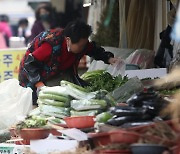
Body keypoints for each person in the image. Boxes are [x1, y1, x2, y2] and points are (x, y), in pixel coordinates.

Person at [18, 20, 118, 105]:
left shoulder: (81, 43)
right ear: (68, 40)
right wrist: (39, 85)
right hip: (34, 75)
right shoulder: (51, 44)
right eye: (80, 46)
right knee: (47, 100)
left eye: (84, 44)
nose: (83, 48)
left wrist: (109, 58)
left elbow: (93, 50)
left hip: (59, 72)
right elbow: (30, 64)